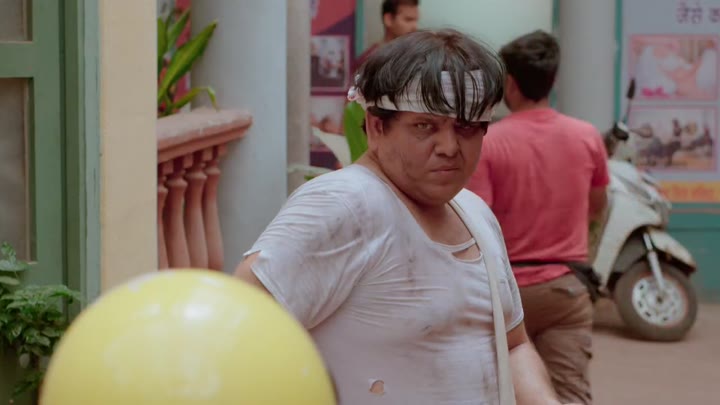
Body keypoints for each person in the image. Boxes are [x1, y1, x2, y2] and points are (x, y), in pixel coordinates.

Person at [235, 29, 572, 404]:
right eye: (425, 126)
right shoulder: (344, 204)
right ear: (377, 127)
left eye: (466, 127)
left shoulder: (475, 212)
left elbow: (512, 345)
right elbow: (238, 332)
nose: (449, 147)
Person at [467, 30, 610, 405]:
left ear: (510, 84)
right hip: (566, 289)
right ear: (553, 81)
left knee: (499, 393)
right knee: (570, 393)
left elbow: (475, 221)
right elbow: (598, 206)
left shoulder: (490, 142)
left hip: (505, 293)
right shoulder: (587, 136)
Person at [352, 0, 419, 73]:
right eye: (408, 20)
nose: (414, 26)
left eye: (416, 20)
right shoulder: (368, 61)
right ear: (388, 19)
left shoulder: (416, 58)